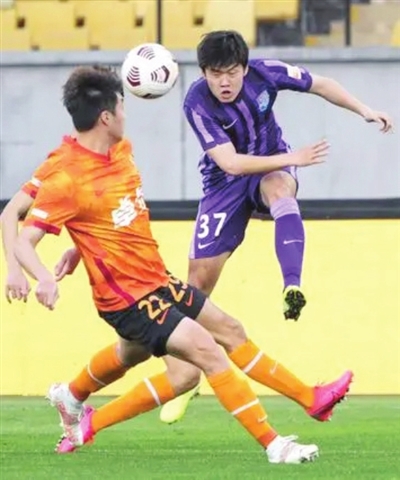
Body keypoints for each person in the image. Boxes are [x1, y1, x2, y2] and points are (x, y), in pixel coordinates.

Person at [12, 65, 352, 463]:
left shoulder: (119, 151)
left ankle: (72, 399)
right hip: (127, 299)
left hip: (156, 278)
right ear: (106, 117)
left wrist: (81, 245)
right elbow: (24, 239)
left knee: (222, 332)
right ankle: (276, 445)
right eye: (122, 106)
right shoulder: (66, 177)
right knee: (208, 353)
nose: (125, 113)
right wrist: (42, 278)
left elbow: (106, 215)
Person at [157, 30, 393, 424]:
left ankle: (291, 286)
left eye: (231, 72)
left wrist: (363, 109)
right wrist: (293, 156)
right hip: (223, 185)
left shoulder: (266, 73)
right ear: (203, 73)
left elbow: (321, 83)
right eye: (215, 74)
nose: (224, 82)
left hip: (272, 167)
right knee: (196, 286)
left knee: (281, 190)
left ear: (245, 67)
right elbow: (231, 163)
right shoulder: (196, 102)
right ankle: (187, 376)